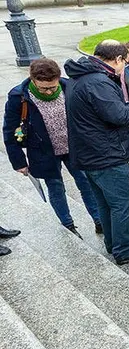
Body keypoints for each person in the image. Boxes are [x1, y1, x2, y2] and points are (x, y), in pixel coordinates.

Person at [65, 40, 129, 265]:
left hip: (90, 155)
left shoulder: (81, 76)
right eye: (123, 62)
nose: (123, 67)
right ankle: (124, 249)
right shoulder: (98, 82)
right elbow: (119, 114)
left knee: (105, 203)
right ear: (117, 59)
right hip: (105, 156)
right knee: (122, 202)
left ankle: (115, 239)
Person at [3, 58, 101, 238]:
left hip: (73, 147)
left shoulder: (67, 87)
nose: (48, 92)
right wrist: (18, 161)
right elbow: (9, 130)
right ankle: (68, 225)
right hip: (43, 152)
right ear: (32, 80)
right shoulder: (19, 97)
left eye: (52, 87)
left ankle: (98, 220)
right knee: (56, 188)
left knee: (86, 183)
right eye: (43, 88)